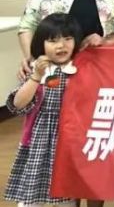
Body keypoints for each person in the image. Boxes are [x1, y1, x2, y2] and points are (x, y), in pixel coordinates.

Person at [5, 13, 81, 207]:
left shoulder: (80, 68)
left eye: (67, 39)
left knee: (66, 194)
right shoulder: (36, 68)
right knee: (30, 196)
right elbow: (18, 104)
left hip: (69, 139)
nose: (61, 46)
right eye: (53, 40)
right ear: (41, 44)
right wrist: (36, 76)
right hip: (38, 139)